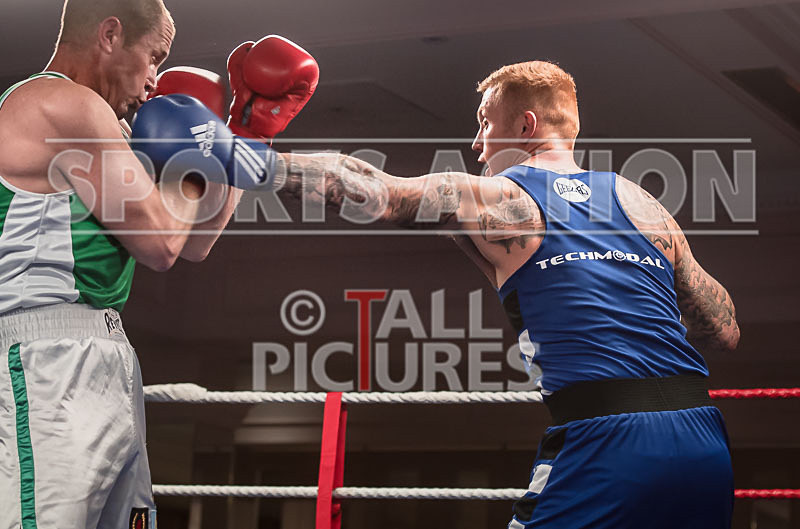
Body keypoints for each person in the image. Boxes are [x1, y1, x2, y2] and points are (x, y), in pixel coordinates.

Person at [271, 61, 740, 528]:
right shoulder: (642, 203)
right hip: (704, 444)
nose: (477, 144)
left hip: (606, 446)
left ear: (525, 124)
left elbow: (379, 191)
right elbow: (723, 331)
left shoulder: (499, 199)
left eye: (484, 123)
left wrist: (250, 161)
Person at [0, 1, 317, 527]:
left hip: (101, 354)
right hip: (43, 359)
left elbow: (194, 242)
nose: (155, 79)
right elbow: (161, 243)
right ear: (109, 34)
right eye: (154, 57)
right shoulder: (58, 103)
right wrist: (195, 144)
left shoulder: (107, 127)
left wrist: (244, 131)